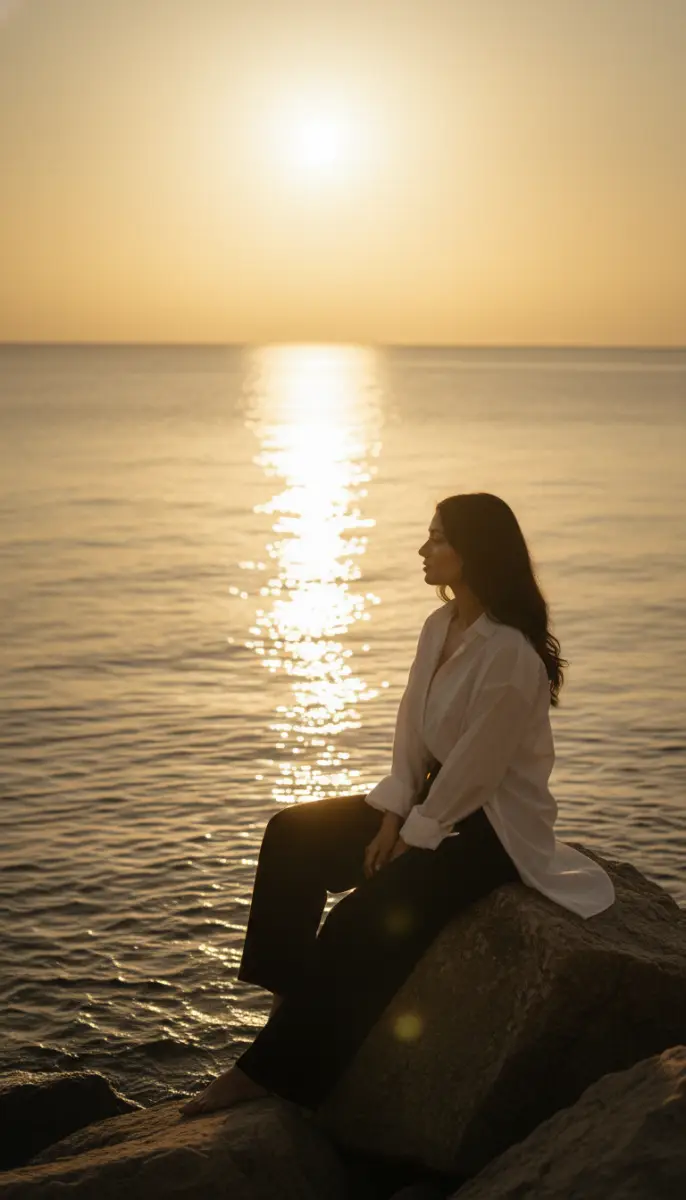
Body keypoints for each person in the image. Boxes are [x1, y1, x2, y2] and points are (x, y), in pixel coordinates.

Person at [181, 492, 615, 1118]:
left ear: (474, 552)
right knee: (292, 835)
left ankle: (273, 1075)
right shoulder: (439, 626)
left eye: (437, 538)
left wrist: (414, 836)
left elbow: (476, 769)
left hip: (487, 829)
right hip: (425, 801)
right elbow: (411, 730)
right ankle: (289, 1009)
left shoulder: (511, 655)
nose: (423, 548)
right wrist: (391, 816)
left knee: (359, 920)